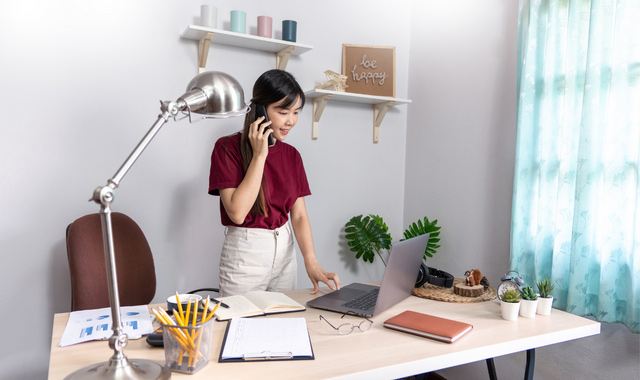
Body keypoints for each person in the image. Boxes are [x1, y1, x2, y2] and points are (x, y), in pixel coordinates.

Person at [208, 69, 341, 297]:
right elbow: (237, 213)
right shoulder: (227, 148)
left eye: (296, 112)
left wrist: (311, 263)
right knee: (241, 323)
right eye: (283, 111)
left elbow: (298, 216)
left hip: (285, 254)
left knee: (281, 324)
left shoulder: (292, 156)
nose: (291, 121)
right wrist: (260, 155)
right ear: (260, 110)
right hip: (246, 256)